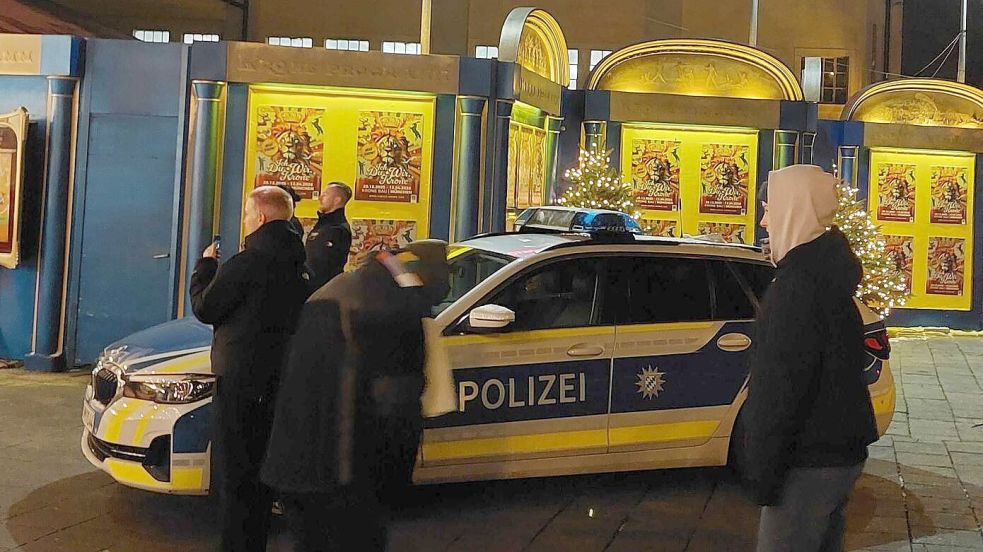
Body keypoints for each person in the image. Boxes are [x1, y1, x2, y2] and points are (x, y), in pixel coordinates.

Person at [261, 240, 450, 551]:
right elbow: (396, 400)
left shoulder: (346, 288)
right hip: (345, 469)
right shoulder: (396, 308)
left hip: (295, 461)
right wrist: (394, 478)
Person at [742, 165, 879, 552]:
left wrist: (762, 474)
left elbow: (780, 391)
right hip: (836, 456)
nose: (764, 221)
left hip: (806, 464)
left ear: (795, 211)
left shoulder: (796, 289)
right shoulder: (827, 278)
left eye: (770, 208)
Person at [190, 186, 308, 552]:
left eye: (245, 214)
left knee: (237, 477)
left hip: (241, 384)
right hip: (279, 381)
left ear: (259, 217)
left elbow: (206, 308)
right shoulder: (300, 262)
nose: (243, 220)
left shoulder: (247, 262)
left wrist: (205, 266)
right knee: (264, 472)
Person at [305, 182, 353, 292]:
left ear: (337, 200)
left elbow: (324, 266)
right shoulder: (323, 224)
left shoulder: (338, 229)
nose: (320, 197)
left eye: (325, 194)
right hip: (311, 289)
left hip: (324, 291)